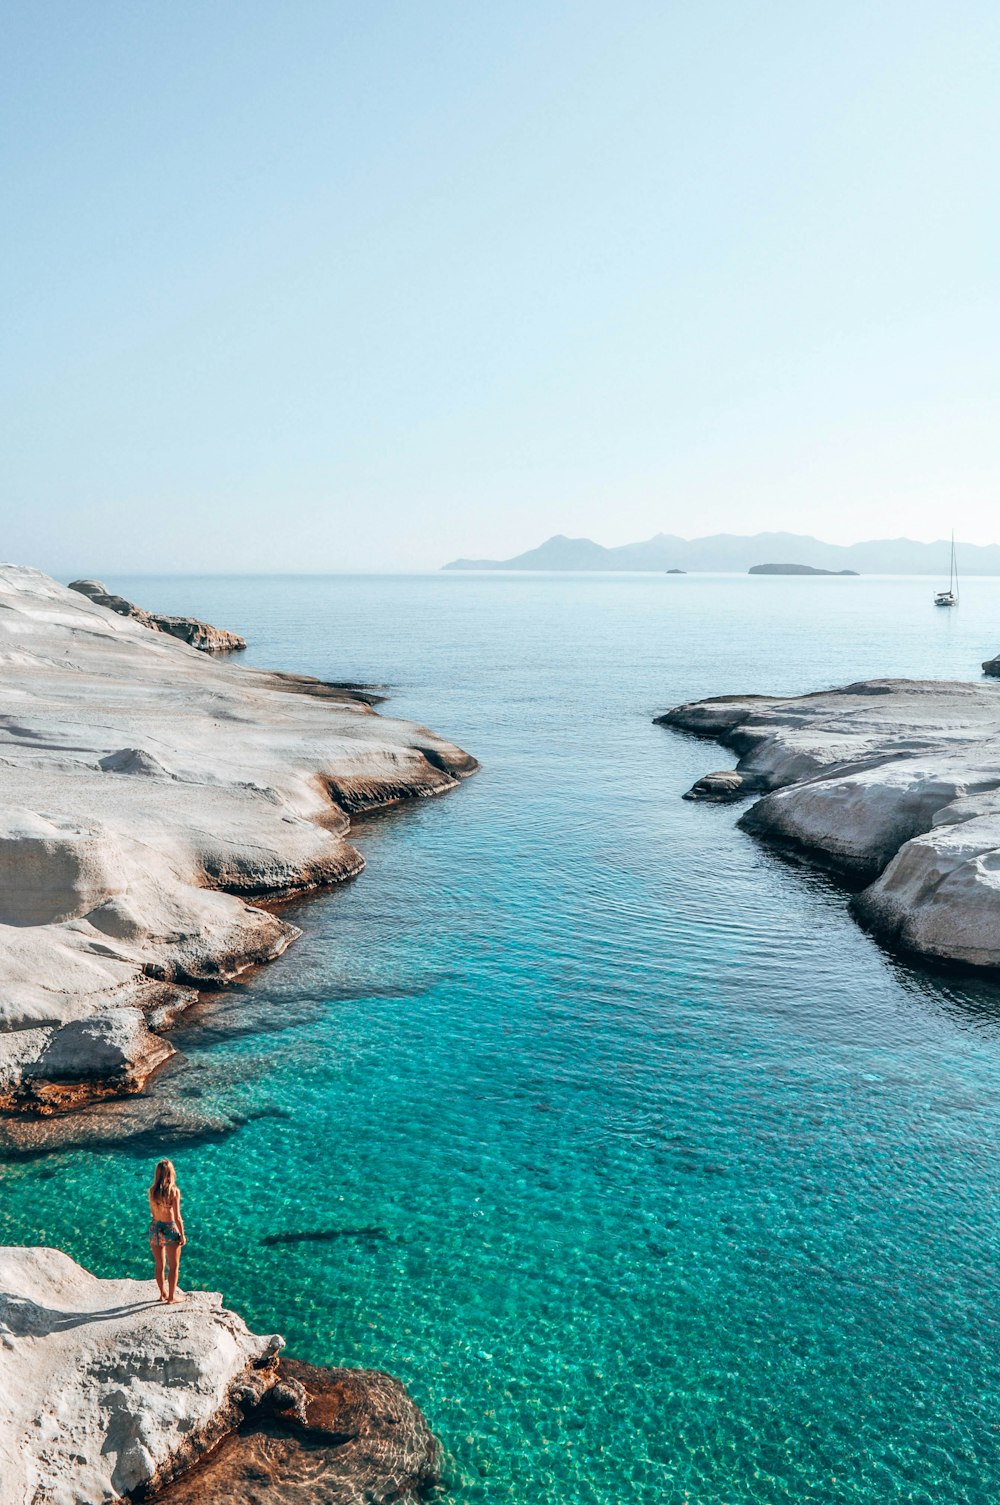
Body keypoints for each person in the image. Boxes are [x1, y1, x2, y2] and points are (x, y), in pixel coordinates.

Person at [148, 1158, 186, 1303]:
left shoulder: (152, 1191)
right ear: (171, 1173)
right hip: (169, 1228)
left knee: (159, 1264)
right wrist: (182, 1234)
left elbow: (152, 1213)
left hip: (155, 1227)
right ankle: (171, 1297)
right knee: (174, 1266)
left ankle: (162, 1294)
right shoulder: (174, 1191)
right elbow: (177, 1217)